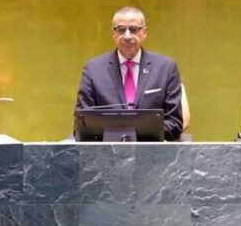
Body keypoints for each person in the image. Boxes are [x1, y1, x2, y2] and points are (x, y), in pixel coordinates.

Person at [74, 7, 183, 141]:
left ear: (144, 32)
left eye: (133, 29)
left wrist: (134, 135)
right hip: (106, 150)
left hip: (150, 150)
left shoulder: (165, 68)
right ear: (113, 33)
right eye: (121, 30)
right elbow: (82, 123)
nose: (127, 36)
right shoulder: (93, 69)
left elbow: (175, 122)